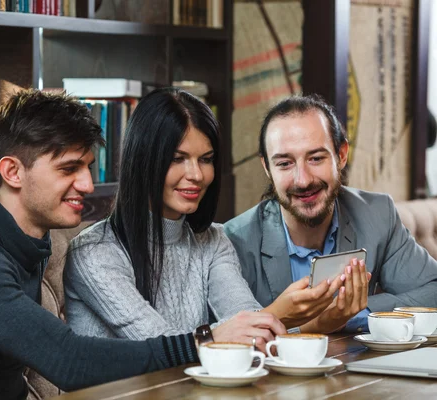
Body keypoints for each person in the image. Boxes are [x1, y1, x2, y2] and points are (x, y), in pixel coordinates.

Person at [0, 89, 286, 400]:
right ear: (13, 172)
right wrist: (206, 339)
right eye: (69, 169)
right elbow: (71, 361)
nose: (89, 184)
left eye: (88, 167)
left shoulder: (23, 237)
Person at [63, 88, 358, 341]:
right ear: (144, 161)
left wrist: (315, 323)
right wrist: (275, 315)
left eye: (205, 159)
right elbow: (160, 346)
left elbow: (247, 325)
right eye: (178, 159)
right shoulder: (95, 252)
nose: (196, 175)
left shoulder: (212, 240)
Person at [224, 95, 437, 333]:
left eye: (316, 158)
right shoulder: (234, 241)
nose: (302, 180)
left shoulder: (377, 214)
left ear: (341, 155)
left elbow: (433, 290)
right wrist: (319, 323)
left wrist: (353, 313)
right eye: (284, 163)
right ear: (267, 168)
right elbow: (229, 337)